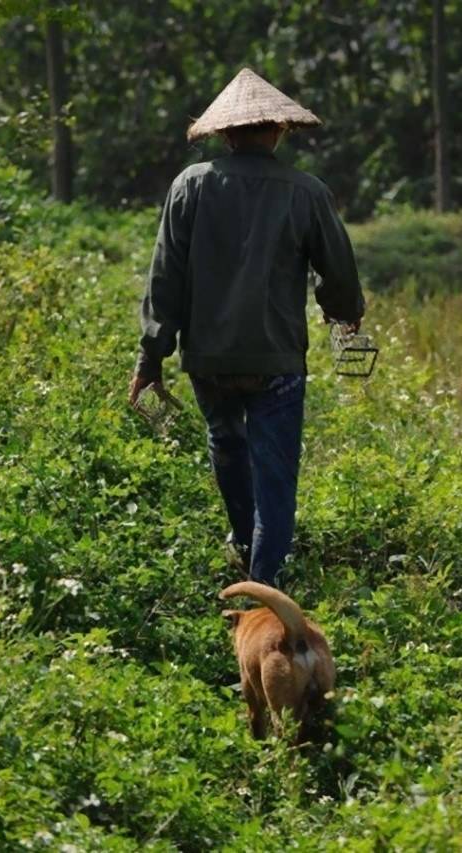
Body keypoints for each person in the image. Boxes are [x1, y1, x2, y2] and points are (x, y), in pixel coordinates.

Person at [129, 67, 365, 588]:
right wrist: (344, 313)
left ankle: (243, 544)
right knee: (275, 474)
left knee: (227, 444)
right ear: (279, 130)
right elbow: (338, 273)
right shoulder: (307, 192)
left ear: (225, 134)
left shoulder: (190, 186)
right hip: (276, 359)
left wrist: (151, 357)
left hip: (208, 359)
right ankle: (266, 583)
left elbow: (165, 278)